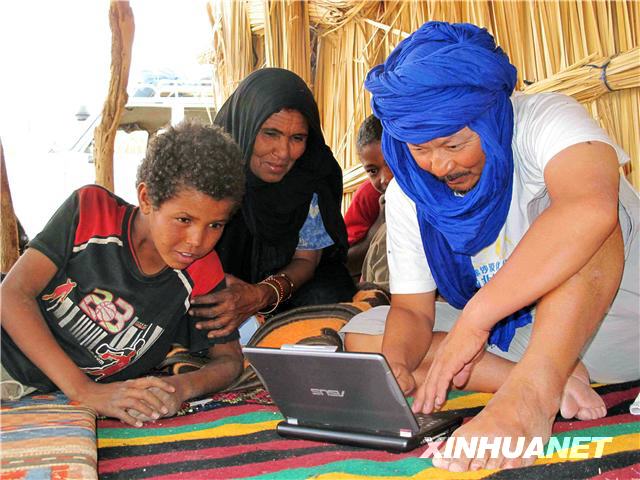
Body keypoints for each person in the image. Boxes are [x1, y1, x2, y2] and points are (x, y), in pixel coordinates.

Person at [344, 21, 639, 471]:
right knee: (364, 337)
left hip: (614, 321)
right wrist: (397, 368)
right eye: (421, 148)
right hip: (520, 339)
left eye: (455, 143)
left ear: (491, 113)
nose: (439, 165)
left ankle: (531, 395)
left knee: (595, 221)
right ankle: (548, 376)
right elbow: (412, 312)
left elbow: (591, 210)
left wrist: (477, 319)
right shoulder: (410, 186)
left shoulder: (544, 118)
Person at [0, 121, 245, 427]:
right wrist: (84, 390)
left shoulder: (202, 271)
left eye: (215, 225)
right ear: (146, 198)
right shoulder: (91, 212)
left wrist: (180, 389)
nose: (198, 240)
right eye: (183, 219)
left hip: (40, 394)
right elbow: (12, 294)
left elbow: (230, 361)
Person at [189, 68, 355, 339]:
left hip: (285, 289)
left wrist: (261, 294)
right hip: (212, 284)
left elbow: (306, 260)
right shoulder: (204, 169)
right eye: (270, 134)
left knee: (330, 296)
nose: (283, 153)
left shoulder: (310, 174)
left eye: (297, 138)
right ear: (245, 125)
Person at [345, 115, 393, 287]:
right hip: (376, 284)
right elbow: (346, 263)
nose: (385, 178)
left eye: (391, 163)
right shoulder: (368, 195)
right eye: (373, 170)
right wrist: (380, 223)